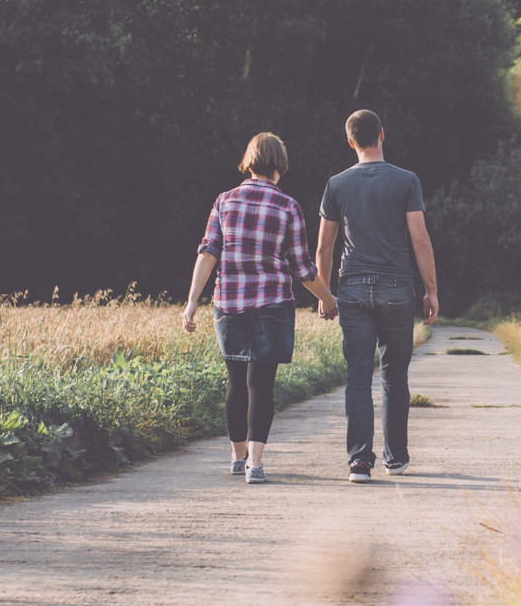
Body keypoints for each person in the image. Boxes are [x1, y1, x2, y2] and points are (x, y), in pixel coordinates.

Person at [182, 132, 332, 484]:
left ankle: (236, 458)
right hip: (272, 305)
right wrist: (328, 298)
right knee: (261, 384)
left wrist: (192, 302)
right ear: (279, 164)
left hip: (228, 303)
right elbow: (302, 268)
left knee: (235, 382)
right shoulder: (288, 207)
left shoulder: (225, 201)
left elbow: (208, 252)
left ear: (249, 161)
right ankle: (256, 464)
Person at [315, 109, 438, 483]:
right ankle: (396, 458)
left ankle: (359, 462)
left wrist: (324, 293)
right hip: (398, 288)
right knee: (395, 375)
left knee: (357, 375)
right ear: (382, 135)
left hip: (351, 288)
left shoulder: (336, 184)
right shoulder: (406, 181)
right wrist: (431, 288)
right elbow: (419, 237)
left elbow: (324, 247)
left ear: (350, 141)